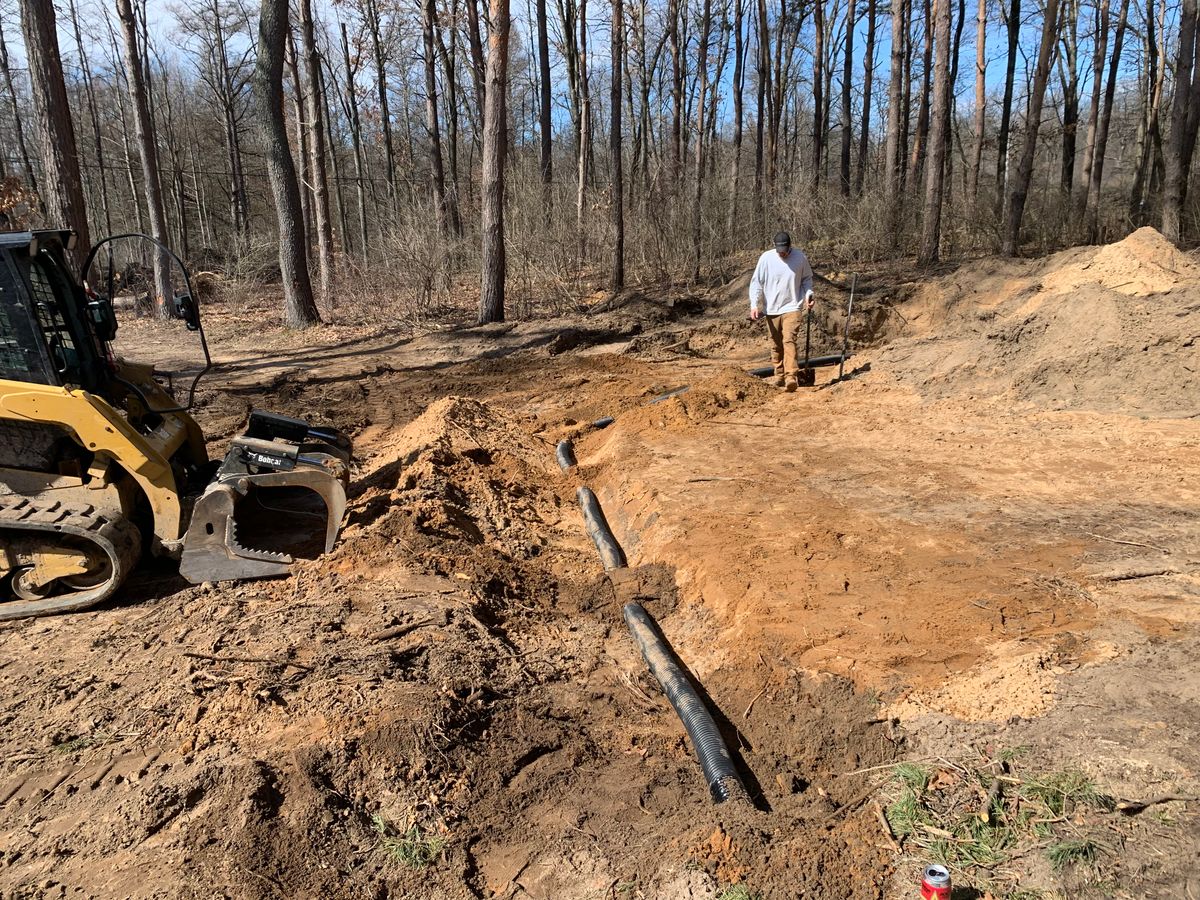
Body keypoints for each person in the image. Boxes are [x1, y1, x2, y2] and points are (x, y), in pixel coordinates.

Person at [749, 231, 815, 392]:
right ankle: (779, 375)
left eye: (785, 249)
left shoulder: (800, 258)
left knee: (789, 340)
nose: (782, 253)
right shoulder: (766, 258)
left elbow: (807, 279)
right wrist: (754, 304)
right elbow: (756, 282)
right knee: (776, 344)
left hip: (793, 306)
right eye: (779, 250)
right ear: (775, 247)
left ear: (790, 246)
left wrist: (808, 294)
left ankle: (791, 376)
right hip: (771, 308)